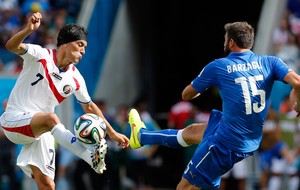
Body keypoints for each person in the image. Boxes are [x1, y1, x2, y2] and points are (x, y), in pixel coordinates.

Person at [128, 21, 300, 190]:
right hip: (247, 138)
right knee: (192, 131)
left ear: (231, 42)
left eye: (225, 38)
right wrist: (297, 104)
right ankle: (142, 136)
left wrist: (202, 86)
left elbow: (187, 95)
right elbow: (297, 83)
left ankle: (142, 137)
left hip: (226, 143)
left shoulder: (219, 66)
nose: (224, 42)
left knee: (184, 187)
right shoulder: (270, 62)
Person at [0, 12, 129, 190]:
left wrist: (112, 133)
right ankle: (89, 156)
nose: (83, 51)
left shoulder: (76, 78)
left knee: (48, 185)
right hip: (14, 119)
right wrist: (28, 30)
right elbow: (11, 46)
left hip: (41, 132)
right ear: (66, 44)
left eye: (85, 47)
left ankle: (89, 157)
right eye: (80, 45)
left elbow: (90, 107)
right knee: (51, 118)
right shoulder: (40, 54)